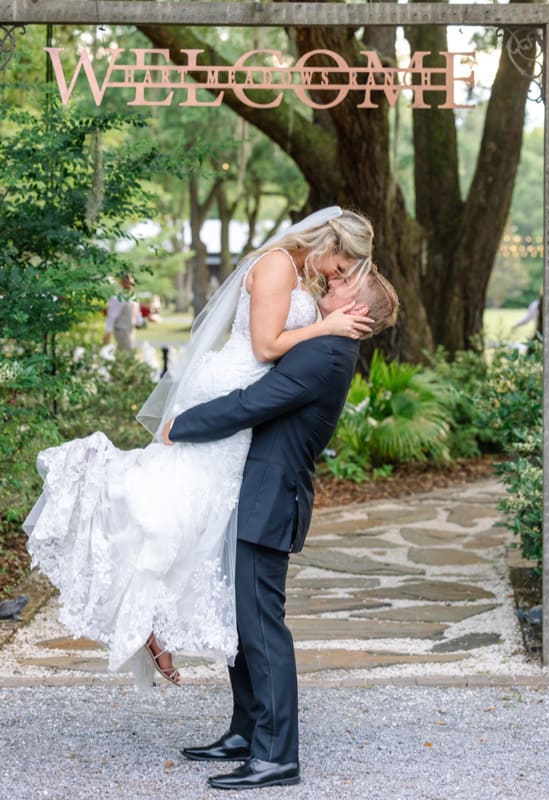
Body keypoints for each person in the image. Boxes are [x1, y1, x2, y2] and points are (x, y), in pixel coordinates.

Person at [24, 207, 376, 687]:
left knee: (204, 521)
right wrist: (325, 326)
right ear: (328, 244)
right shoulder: (276, 265)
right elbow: (266, 348)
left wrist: (327, 318)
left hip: (245, 403)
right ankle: (141, 606)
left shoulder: (299, 273)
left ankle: (152, 621)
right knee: (174, 504)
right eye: (339, 268)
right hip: (231, 389)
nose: (333, 277)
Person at [167, 269, 398, 791]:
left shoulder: (326, 355)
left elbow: (251, 405)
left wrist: (179, 426)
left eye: (342, 286)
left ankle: (275, 755)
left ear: (357, 310)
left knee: (263, 628)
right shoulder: (325, 345)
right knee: (241, 620)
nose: (329, 286)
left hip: (269, 501)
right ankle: (245, 732)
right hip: (254, 496)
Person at [103, 272, 143, 351]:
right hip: (121, 330)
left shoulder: (133, 297)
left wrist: (140, 322)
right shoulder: (118, 297)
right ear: (122, 282)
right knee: (129, 352)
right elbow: (112, 316)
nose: (130, 283)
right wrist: (108, 332)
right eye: (127, 281)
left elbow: (137, 313)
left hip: (131, 330)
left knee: (122, 353)